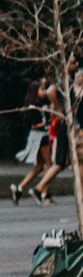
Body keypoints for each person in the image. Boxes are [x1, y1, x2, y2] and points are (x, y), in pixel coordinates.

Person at [31, 56, 80, 205]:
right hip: (68, 123)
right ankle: (39, 189)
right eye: (73, 62)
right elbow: (51, 91)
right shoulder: (64, 79)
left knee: (62, 162)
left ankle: (40, 189)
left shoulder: (69, 79)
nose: (76, 65)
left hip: (69, 123)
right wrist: (62, 111)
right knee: (60, 162)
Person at [11, 76, 52, 204]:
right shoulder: (33, 107)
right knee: (49, 164)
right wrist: (47, 123)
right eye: (42, 89)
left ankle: (19, 187)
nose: (44, 91)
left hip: (39, 135)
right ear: (35, 91)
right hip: (40, 136)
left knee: (40, 166)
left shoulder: (39, 104)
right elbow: (34, 124)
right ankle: (42, 193)